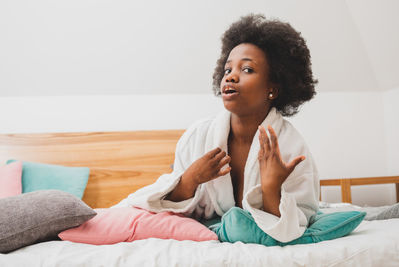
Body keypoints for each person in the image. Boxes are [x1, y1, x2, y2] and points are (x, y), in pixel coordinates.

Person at [115, 14, 319, 243]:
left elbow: (297, 224)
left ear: (272, 88)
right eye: (227, 70)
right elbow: (165, 203)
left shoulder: (291, 147)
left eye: (247, 70)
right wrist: (190, 179)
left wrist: (271, 189)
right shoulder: (198, 136)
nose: (231, 76)